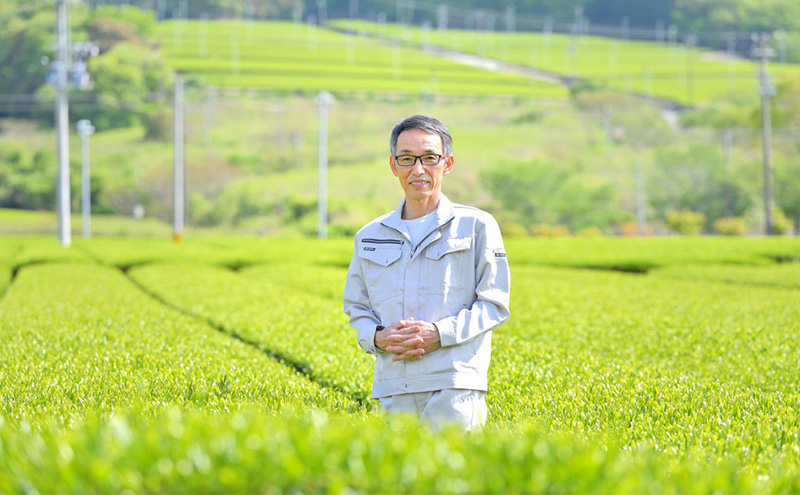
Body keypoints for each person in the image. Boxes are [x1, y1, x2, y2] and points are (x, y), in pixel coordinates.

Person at [342, 114, 511, 431]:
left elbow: (494, 303)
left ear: (446, 164)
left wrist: (440, 334)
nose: (418, 169)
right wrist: (378, 337)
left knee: (454, 480)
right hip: (394, 387)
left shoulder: (477, 226)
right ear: (394, 166)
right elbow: (357, 306)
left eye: (429, 158)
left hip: (454, 386)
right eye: (407, 159)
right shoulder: (370, 235)